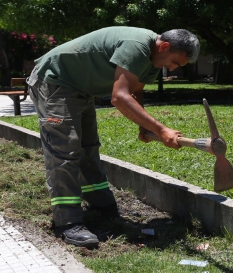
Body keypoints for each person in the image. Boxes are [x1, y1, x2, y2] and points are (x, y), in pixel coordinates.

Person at [26, 26, 200, 247]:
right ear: (165, 46)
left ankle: (101, 205)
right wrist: (162, 130)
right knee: (65, 151)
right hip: (55, 81)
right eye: (175, 62)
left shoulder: (154, 60)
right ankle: (68, 222)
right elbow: (119, 97)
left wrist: (143, 127)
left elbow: (135, 90)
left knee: (88, 147)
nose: (173, 69)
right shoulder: (136, 45)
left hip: (81, 89)